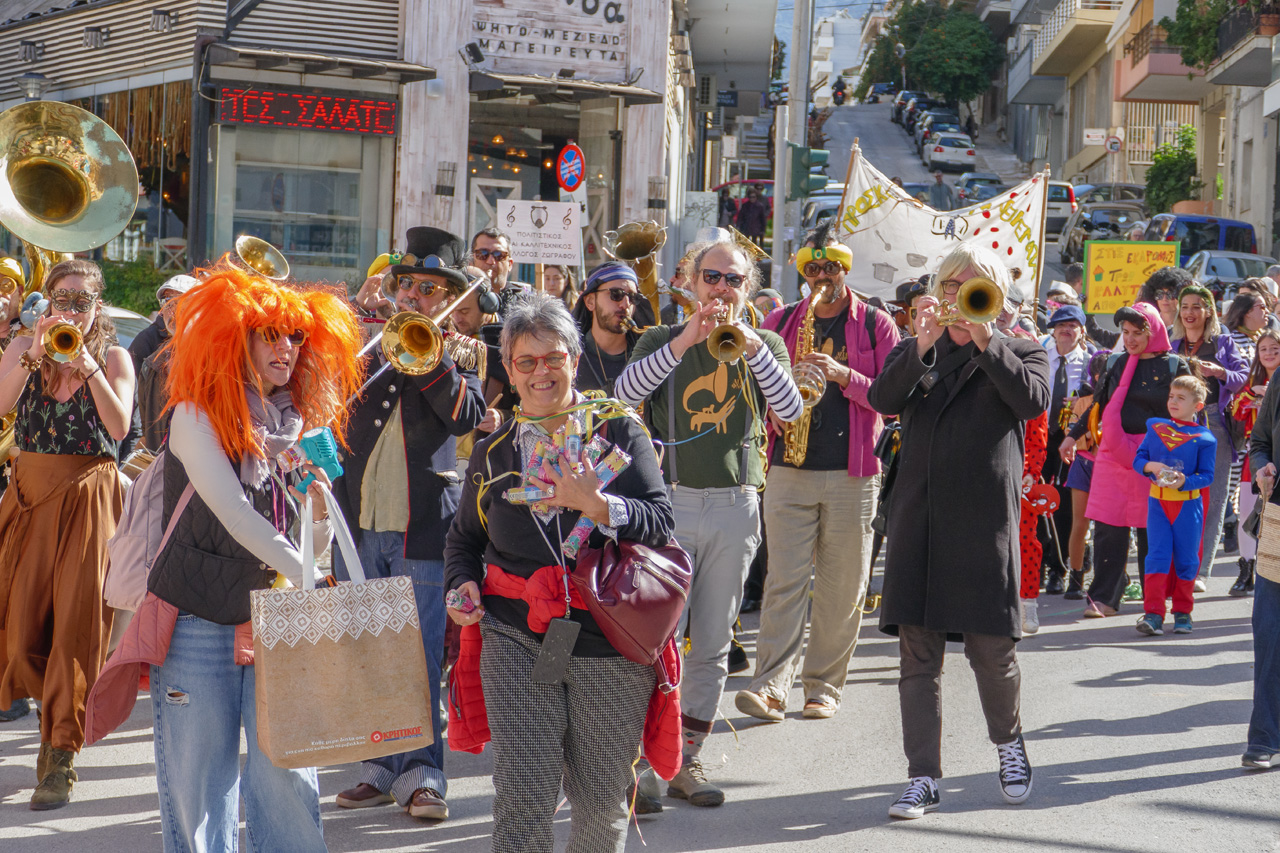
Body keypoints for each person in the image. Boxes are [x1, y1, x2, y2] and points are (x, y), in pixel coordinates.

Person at [87, 263, 361, 848]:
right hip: (196, 621)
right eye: (270, 334)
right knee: (200, 790)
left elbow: (312, 542)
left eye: (295, 336)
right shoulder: (193, 415)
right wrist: (311, 577)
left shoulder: (296, 423)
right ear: (235, 340)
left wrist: (318, 509)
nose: (286, 347)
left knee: (289, 781)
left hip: (278, 620)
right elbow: (235, 515)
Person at [444, 292, 678, 853]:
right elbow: (464, 541)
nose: (541, 372)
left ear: (574, 359)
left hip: (609, 635)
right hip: (515, 632)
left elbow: (660, 521)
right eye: (526, 361)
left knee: (600, 800)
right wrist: (461, 584)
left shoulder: (618, 432)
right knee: (523, 793)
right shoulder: (493, 452)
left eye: (553, 358)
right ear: (509, 369)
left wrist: (599, 505)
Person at [615, 238, 802, 806]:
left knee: (714, 642)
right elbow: (624, 395)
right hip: (669, 505)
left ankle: (685, 759)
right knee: (658, 639)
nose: (722, 289)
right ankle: (644, 759)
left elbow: (791, 410)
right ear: (692, 283)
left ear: (748, 289)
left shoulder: (766, 343)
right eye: (712, 278)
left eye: (733, 280)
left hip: (736, 505)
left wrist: (752, 347)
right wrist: (686, 341)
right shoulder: (659, 338)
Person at [867, 243, 1048, 819]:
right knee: (917, 657)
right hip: (919, 516)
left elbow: (1031, 402)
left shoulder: (1022, 349)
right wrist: (921, 345)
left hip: (983, 519)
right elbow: (880, 398)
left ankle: (1009, 744)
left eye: (972, 286)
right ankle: (922, 776)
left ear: (994, 294)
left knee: (992, 652)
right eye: (951, 285)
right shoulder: (916, 349)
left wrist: (988, 342)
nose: (959, 295)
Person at [330, 228, 486, 821]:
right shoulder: (365, 347)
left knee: (417, 658)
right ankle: (380, 766)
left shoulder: (459, 352)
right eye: (407, 286)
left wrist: (427, 353)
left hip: (422, 529)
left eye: (428, 288)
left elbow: (465, 415)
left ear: (446, 297)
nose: (414, 296)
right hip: (359, 525)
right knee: (369, 653)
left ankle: (424, 774)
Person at [735, 224, 899, 723]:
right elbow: (752, 391)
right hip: (789, 468)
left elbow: (893, 398)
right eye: (812, 269)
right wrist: (779, 406)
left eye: (830, 268)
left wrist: (842, 374)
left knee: (842, 588)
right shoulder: (780, 320)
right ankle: (770, 687)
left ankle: (823, 687)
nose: (821, 277)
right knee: (783, 582)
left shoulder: (876, 324)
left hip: (855, 473)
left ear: (844, 269)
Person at [0, 259, 134, 808]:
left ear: (97, 307)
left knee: (76, 630)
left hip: (89, 498)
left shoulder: (115, 357)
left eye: (83, 302)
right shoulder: (23, 348)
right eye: (63, 300)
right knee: (18, 630)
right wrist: (33, 353)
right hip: (29, 497)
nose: (72, 310)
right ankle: (45, 713)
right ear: (47, 302)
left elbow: (120, 427)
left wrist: (88, 367)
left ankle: (59, 753)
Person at [1062, 303, 1192, 617]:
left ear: (1154, 332)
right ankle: (1104, 599)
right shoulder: (1116, 362)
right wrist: (1071, 437)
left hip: (1158, 455)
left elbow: (1190, 412)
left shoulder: (1175, 365)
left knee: (1154, 529)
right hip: (1114, 454)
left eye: (1137, 333)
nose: (1130, 339)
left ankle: (1154, 600)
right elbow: (1098, 406)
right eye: (1125, 332)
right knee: (1109, 528)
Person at [1170, 283, 1248, 592]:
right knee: (1178, 495)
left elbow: (1243, 377)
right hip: (1177, 426)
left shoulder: (1223, 342)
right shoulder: (1172, 344)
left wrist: (1220, 372)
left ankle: (1201, 572)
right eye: (1185, 306)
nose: (1190, 312)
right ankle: (1180, 567)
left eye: (1196, 306)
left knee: (1213, 500)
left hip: (1214, 422)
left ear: (1208, 311)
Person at [1133, 374, 1216, 636]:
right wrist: (1150, 466)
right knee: (1156, 557)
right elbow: (1138, 459)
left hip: (1188, 507)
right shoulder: (1156, 428)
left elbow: (1207, 476)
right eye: (1171, 396)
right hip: (1158, 504)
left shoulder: (1205, 438)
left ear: (1197, 406)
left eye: (1181, 398)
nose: (1173, 402)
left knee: (1187, 559)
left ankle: (1182, 611)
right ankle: (1153, 613)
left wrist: (1184, 481)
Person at [1038, 306, 1092, 596]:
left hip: (1073, 442)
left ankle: (1060, 569)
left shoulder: (1089, 362)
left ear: (1082, 331)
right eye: (1061, 326)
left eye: (1072, 326)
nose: (1066, 330)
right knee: (1037, 501)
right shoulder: (1040, 356)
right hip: (1040, 437)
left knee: (1067, 507)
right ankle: (1040, 565)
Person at [1244, 360, 1280, 770]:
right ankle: (1265, 736)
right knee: (1269, 630)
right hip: (1279, 523)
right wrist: (1262, 466)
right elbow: (1260, 441)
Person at [1230, 329, 1280, 595]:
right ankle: (1246, 567)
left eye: (1275, 348)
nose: (1269, 353)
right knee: (1249, 512)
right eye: (1264, 349)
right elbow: (1236, 411)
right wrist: (1253, 393)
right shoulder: (1252, 382)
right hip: (1257, 455)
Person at [134, 274, 200, 451]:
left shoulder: (220, 360)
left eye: (182, 302)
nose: (173, 312)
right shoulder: (151, 365)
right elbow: (147, 436)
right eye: (167, 303)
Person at [571, 262, 642, 397]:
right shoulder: (570, 358)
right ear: (590, 302)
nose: (626, 304)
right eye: (616, 294)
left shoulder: (645, 357)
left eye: (633, 297)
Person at [472, 228, 530, 318]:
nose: (490, 261)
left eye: (498, 255)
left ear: (510, 264)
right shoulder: (459, 299)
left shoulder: (525, 304)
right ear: (472, 261)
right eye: (482, 254)